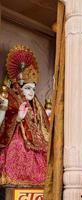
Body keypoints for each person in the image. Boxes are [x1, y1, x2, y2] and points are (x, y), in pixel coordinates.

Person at [0, 45, 49, 186]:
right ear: (18, 87)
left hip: (34, 146)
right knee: (18, 146)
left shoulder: (36, 105)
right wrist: (18, 118)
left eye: (33, 89)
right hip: (14, 140)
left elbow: (42, 126)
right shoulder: (11, 99)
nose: (31, 92)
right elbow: (5, 123)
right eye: (27, 88)